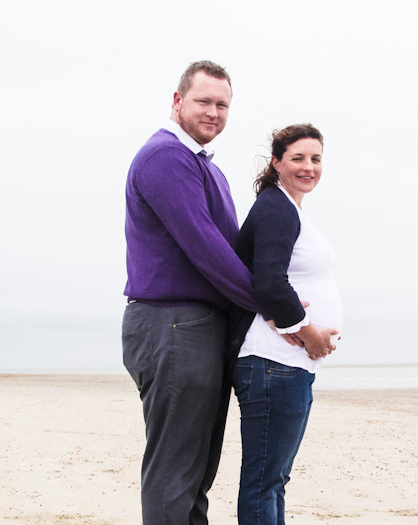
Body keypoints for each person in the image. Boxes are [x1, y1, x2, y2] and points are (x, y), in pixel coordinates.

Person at [122, 61, 335, 525]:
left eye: (223, 105)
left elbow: (232, 252)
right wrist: (279, 311)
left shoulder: (204, 168)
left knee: (198, 470)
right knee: (175, 470)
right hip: (172, 323)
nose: (214, 112)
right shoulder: (166, 157)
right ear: (177, 101)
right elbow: (206, 250)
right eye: (203, 101)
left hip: (200, 327)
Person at [231, 124, 342, 525]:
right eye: (297, 158)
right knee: (264, 481)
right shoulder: (275, 206)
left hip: (285, 364)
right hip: (271, 361)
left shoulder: (289, 208)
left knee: (274, 479)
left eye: (315, 159)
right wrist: (310, 333)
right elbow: (269, 281)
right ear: (276, 162)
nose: (308, 167)